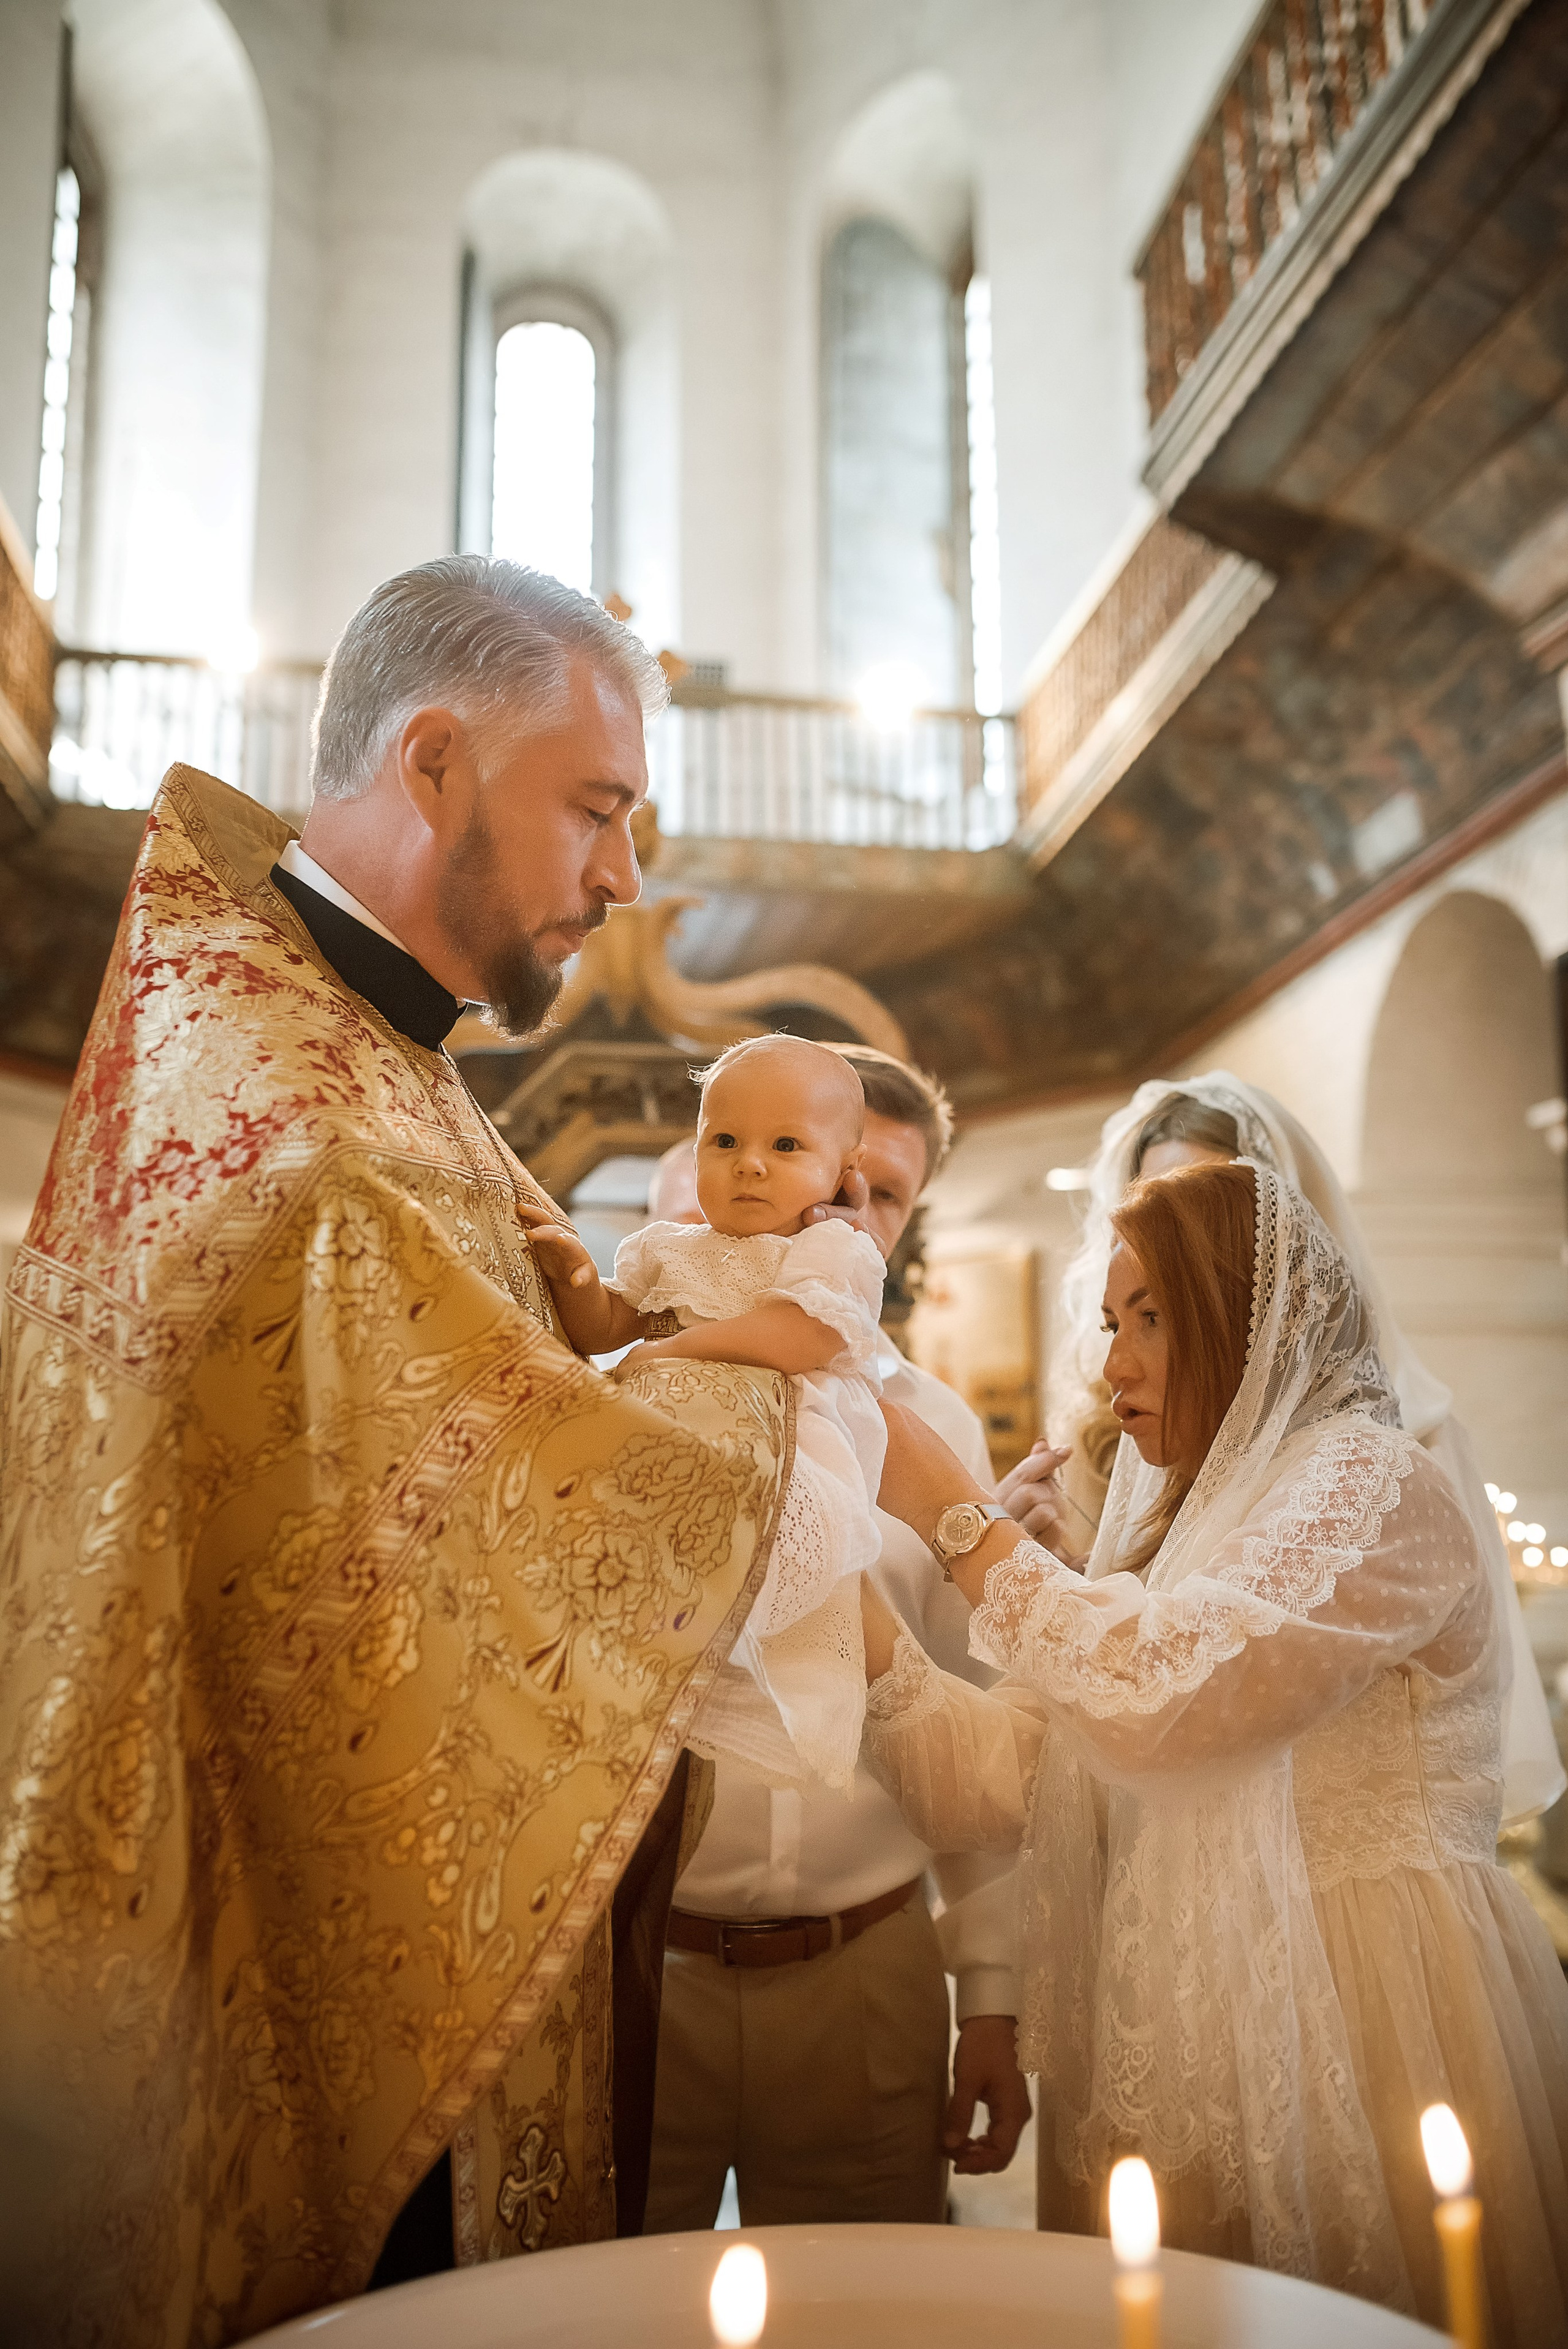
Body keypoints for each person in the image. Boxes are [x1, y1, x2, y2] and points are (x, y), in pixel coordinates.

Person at [0, 559, 796, 2348]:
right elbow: (504, 1526)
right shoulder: (317, 1126)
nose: (624, 879)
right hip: (269, 1972)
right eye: (593, 809)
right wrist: (771, 1360)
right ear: (435, 761)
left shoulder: (329, 1029)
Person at [861, 1159, 1568, 2345]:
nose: (1112, 1364)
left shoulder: (1371, 1480)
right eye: (1108, 1321)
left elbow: (1163, 1698)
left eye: (1152, 1318)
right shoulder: (1186, 1520)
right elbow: (1001, 1780)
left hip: (1359, 1991)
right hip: (1178, 1984)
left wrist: (959, 1520)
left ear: (1250, 1320)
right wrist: (838, 1574)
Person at [641, 1046, 1031, 2233]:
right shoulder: (624, 1387)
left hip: (865, 1964)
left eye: (880, 1192)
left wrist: (996, 2000)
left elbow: (974, 1720)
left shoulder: (936, 1427)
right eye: (822, 1170)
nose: (837, 1206)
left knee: (864, 2301)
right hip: (639, 1967)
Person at [1037, 1072, 1561, 1826]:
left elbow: (1190, 1689)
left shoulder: (1393, 1452)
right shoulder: (1123, 1431)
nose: (1176, 1229)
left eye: (1210, 1192)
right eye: (1153, 1198)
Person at [524, 1034, 887, 1790]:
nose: (748, 1162)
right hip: (665, 1461)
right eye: (723, 1140)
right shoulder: (671, 1249)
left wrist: (672, 1350)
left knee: (763, 1628)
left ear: (844, 1173)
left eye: (786, 1144)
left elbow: (799, 1336)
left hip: (782, 1456)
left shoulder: (834, 1250)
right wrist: (580, 1280)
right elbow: (604, 1330)